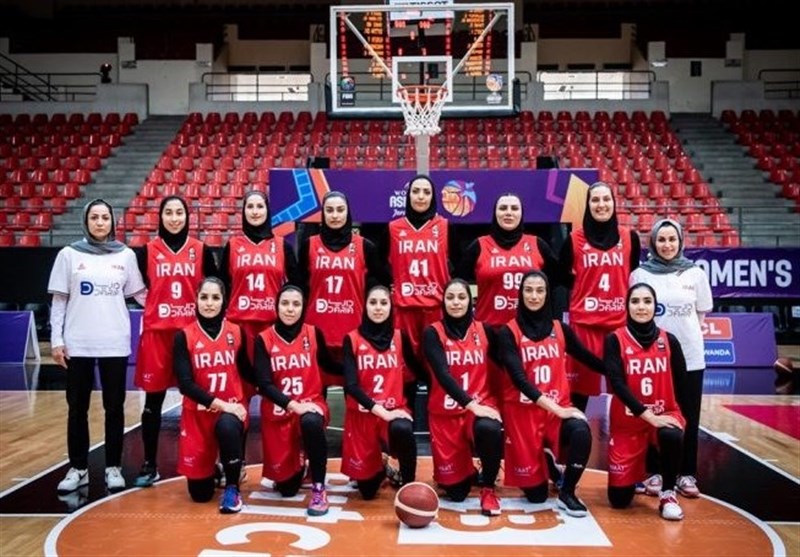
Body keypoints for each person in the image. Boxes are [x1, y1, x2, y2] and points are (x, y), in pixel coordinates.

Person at [48, 198, 146, 494]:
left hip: (114, 343)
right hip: (78, 344)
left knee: (114, 408)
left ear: (112, 222)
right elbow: (59, 301)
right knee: (76, 409)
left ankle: (113, 467)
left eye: (105, 217)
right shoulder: (68, 254)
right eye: (95, 218)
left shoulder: (126, 256)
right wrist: (56, 340)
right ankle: (78, 468)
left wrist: (174, 308)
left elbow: (140, 294)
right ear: (87, 221)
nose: (100, 222)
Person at [496, 271, 602, 517]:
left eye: (540, 290)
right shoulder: (508, 332)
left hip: (555, 414)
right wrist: (559, 408)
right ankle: (547, 464)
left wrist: (621, 370)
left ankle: (568, 491)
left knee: (580, 430)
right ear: (520, 294)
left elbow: (588, 359)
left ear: (547, 294)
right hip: (523, 413)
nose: (534, 296)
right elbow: (519, 379)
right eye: (529, 290)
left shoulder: (559, 328)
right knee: (536, 496)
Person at [133, 196, 218, 488]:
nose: (174, 217)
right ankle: (149, 463)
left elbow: (216, 287)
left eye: (179, 212)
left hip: (193, 336)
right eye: (168, 212)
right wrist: (158, 305)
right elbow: (135, 288)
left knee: (201, 403)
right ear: (161, 217)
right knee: (152, 404)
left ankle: (209, 461)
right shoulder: (146, 251)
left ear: (187, 216)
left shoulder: (201, 250)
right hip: (158, 335)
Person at [630, 218, 713, 498]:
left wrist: (683, 334)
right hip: (653, 358)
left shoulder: (695, 274)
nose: (667, 245)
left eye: (672, 239)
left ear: (680, 242)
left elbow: (701, 312)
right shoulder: (641, 274)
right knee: (654, 414)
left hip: (690, 356)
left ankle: (686, 474)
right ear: (653, 242)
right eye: (662, 239)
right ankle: (654, 472)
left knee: (688, 416)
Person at [253, 284, 341, 516]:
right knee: (288, 489)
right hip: (279, 411)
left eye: (296, 304)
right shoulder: (264, 339)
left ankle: (319, 488)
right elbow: (264, 384)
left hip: (311, 403)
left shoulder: (313, 333)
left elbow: (331, 365)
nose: (290, 309)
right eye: (285, 303)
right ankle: (296, 467)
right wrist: (294, 405)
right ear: (277, 305)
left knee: (311, 421)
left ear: (303, 308)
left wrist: (358, 368)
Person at [605, 283, 688, 521]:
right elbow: (617, 384)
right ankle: (639, 474)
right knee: (619, 501)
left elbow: (682, 384)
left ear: (655, 306)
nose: (641, 307)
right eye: (635, 301)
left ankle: (668, 493)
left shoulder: (669, 340)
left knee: (672, 433)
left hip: (663, 414)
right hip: (627, 422)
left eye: (647, 301)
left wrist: (678, 418)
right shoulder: (615, 340)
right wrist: (647, 414)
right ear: (627, 306)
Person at [422, 279, 503, 516]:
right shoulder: (432, 333)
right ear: (443, 302)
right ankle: (467, 470)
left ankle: (488, 489)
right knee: (456, 493)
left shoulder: (485, 330)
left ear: (470, 301)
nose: (456, 302)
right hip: (445, 413)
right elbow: (442, 375)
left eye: (461, 297)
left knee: (489, 428)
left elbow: (506, 364)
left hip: (477, 409)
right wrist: (471, 404)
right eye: (450, 298)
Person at [558, 181, 641, 412]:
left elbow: (630, 272)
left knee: (625, 392)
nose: (601, 204)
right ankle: (571, 444)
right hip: (584, 325)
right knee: (577, 396)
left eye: (606, 199)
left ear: (613, 204)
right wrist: (584, 289)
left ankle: (624, 445)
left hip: (620, 325)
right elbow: (560, 276)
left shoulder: (630, 238)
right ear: (588, 205)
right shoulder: (574, 239)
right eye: (595, 200)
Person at [174, 277, 252, 514]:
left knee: (228, 426)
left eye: (215, 298)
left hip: (230, 412)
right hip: (198, 414)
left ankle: (232, 488)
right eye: (204, 297)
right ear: (196, 301)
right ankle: (216, 469)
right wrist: (222, 405)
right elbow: (185, 385)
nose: (209, 303)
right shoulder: (184, 336)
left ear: (223, 301)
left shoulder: (236, 333)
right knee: (200, 495)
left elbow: (249, 372)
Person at [298, 191, 388, 388]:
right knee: (315, 394)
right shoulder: (309, 245)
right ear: (322, 214)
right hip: (316, 331)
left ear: (348, 213)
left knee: (354, 392)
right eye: (329, 210)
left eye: (340, 210)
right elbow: (299, 286)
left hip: (353, 331)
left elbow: (383, 284)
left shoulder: (365, 247)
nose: (335, 215)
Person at [341, 284, 418, 499]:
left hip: (393, 411)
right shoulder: (352, 339)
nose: (378, 308)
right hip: (363, 415)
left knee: (403, 428)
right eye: (373, 302)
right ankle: (382, 465)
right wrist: (382, 411)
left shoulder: (399, 337)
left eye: (383, 303)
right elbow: (351, 386)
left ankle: (408, 484)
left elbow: (419, 373)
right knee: (366, 492)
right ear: (364, 306)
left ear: (391, 307)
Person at [387, 174, 452, 412]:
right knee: (405, 374)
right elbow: (382, 267)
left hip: (435, 310)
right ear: (408, 196)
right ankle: (406, 428)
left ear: (433, 196)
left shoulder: (444, 226)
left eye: (426, 192)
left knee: (437, 370)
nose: (421, 197)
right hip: (403, 310)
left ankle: (440, 425)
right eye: (416, 191)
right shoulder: (393, 228)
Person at [455, 193, 557, 327]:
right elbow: (457, 281)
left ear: (522, 213)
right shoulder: (479, 245)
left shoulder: (537, 244)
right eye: (503, 208)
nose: (508, 213)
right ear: (495, 213)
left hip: (529, 331)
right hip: (489, 331)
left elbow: (558, 279)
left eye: (514, 208)